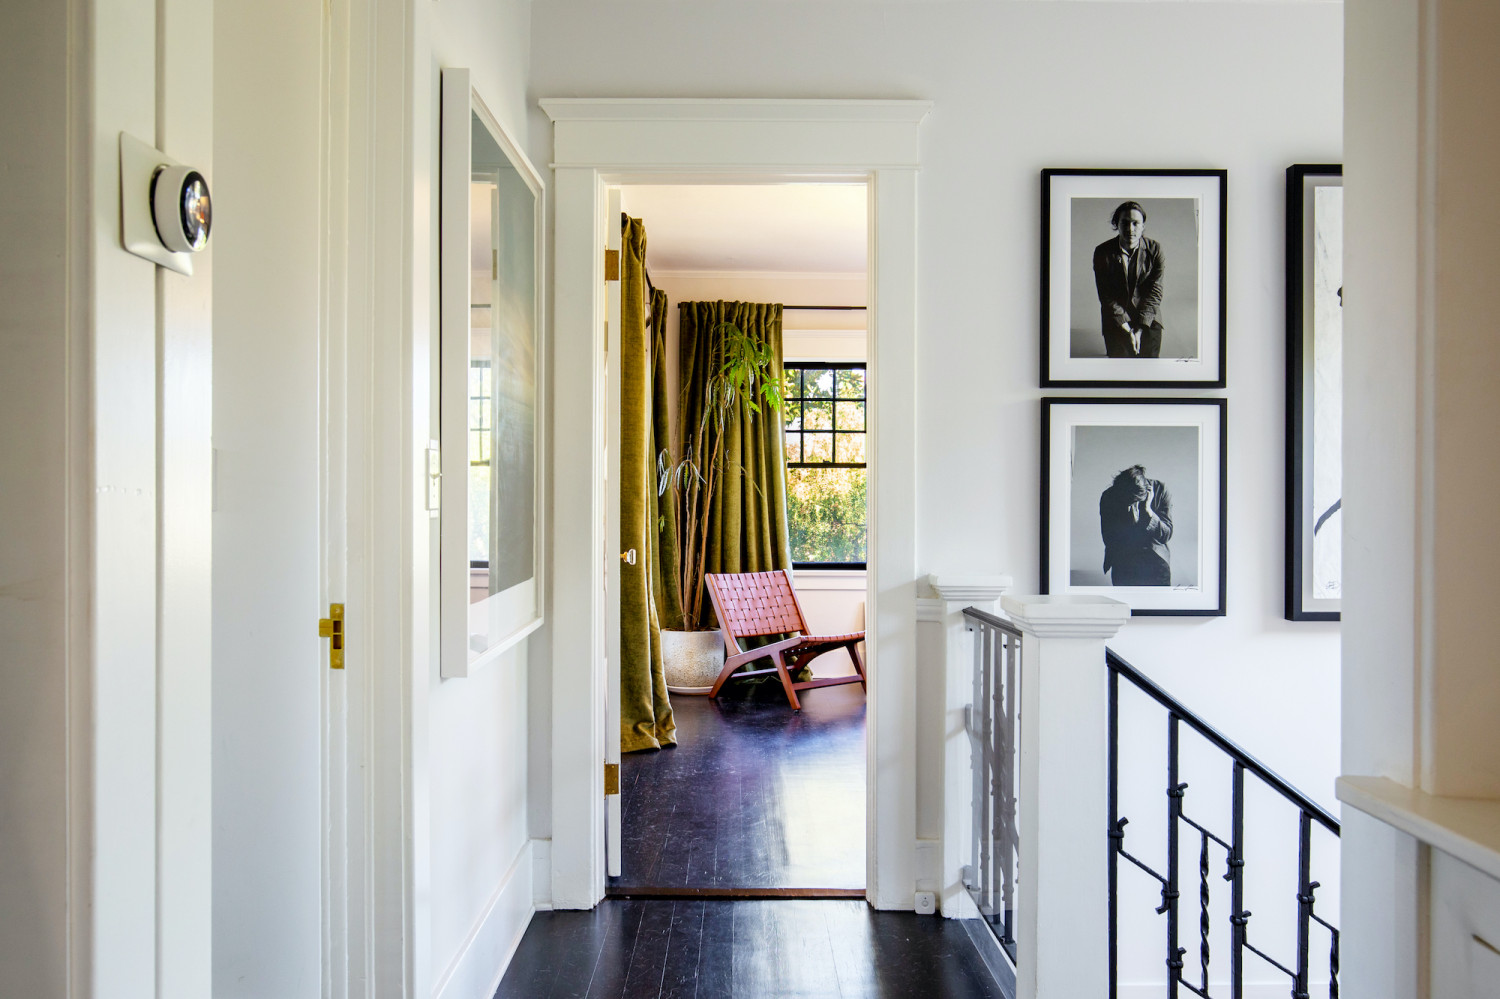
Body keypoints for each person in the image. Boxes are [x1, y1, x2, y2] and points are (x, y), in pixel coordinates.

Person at [1092, 201, 1165, 358]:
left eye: (1135, 223)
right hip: (1116, 319)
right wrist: (1127, 329)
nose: (1130, 229)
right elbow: (1106, 295)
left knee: (1150, 366)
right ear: (1116, 225)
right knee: (1120, 366)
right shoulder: (1102, 252)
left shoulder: (1155, 250)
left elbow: (1155, 292)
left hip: (1148, 318)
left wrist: (1140, 328)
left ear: (1143, 226)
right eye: (1125, 223)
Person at [1099, 465, 1173, 586]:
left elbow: (1166, 535)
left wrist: (1149, 513)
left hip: (1156, 562)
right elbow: (1109, 538)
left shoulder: (1160, 490)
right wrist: (1127, 518)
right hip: (1123, 562)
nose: (1133, 508)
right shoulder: (1109, 496)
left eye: (1136, 501)